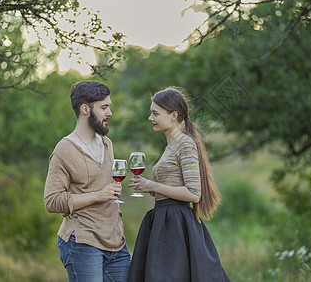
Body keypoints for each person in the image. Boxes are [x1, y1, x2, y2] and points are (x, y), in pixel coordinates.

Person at [127, 86, 230, 281]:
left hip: (175, 223)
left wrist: (154, 186)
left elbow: (193, 194)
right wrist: (150, 188)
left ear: (173, 115)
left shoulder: (185, 144)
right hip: (164, 220)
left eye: (155, 113)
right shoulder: (172, 145)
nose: (150, 118)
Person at [44, 80, 131, 282]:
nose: (109, 112)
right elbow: (52, 201)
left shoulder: (107, 143)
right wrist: (97, 196)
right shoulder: (64, 150)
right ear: (85, 109)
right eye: (104, 107)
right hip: (82, 241)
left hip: (116, 242)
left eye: (109, 106)